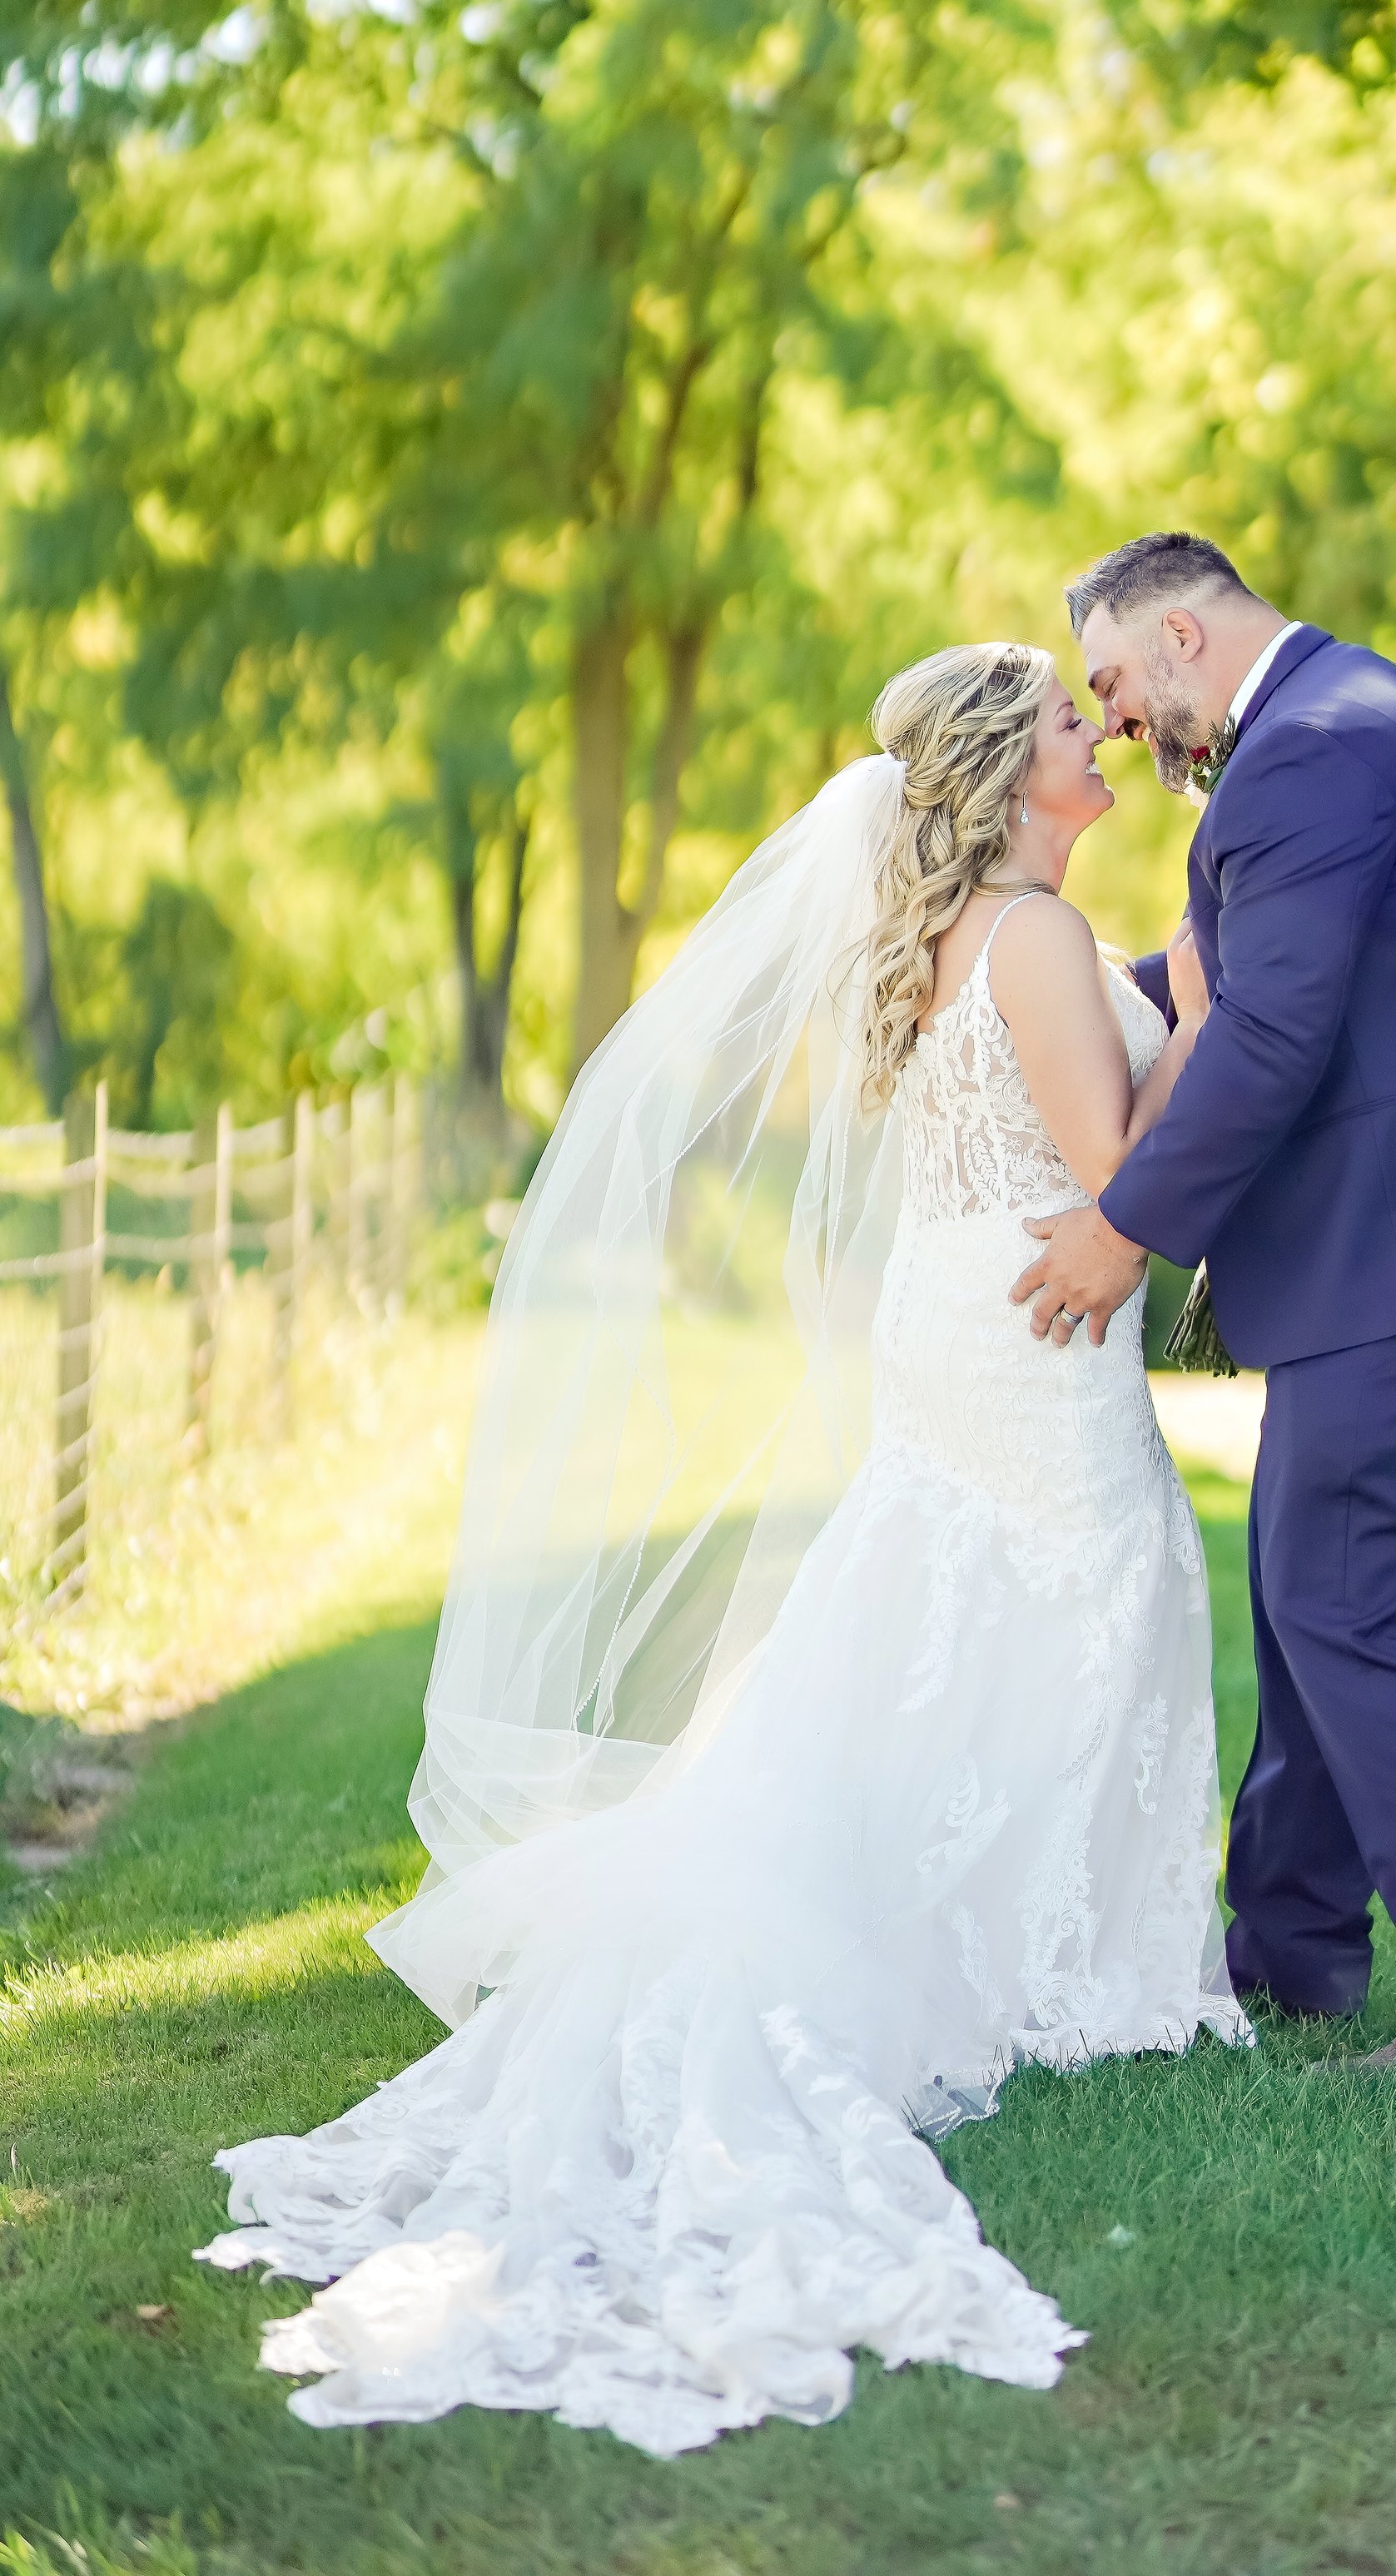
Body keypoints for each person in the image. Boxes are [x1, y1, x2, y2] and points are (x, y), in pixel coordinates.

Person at [199, 643, 1248, 2456]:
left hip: (951, 1314)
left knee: (943, 1610)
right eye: (1077, 723)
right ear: (1012, 776)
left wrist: (1173, 982)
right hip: (1028, 1322)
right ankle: (1071, 1972)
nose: (1106, 733)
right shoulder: (1039, 940)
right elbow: (1112, 1171)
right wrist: (1222, 1019)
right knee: (1081, 1597)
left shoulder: (951, 940)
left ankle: (1029, 1941)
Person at [1017, 534, 1396, 2075]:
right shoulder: (1330, 728)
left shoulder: (1314, 753)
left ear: (1180, 635)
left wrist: (1119, 1230)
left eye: (1111, 684)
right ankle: (1289, 1955)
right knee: (1311, 1593)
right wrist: (1041, 991)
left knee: (1343, 1596)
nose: (1118, 720)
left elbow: (1271, 1040)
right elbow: (1236, 972)